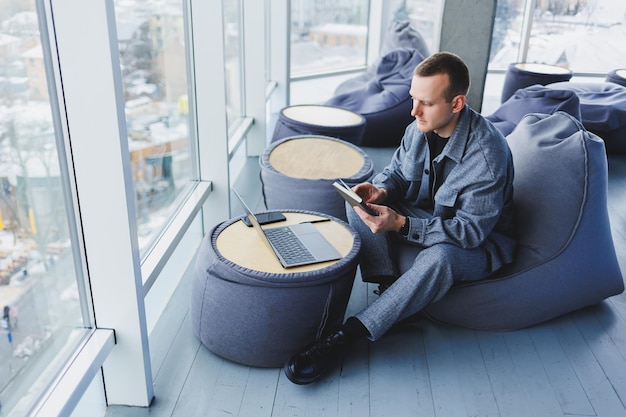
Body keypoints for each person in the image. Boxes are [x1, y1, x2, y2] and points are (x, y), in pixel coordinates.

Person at [283, 51, 517, 385]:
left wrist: (402, 225)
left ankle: (348, 336)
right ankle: (390, 287)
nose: (413, 110)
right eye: (412, 99)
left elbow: (469, 234)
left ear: (456, 103)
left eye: (426, 102)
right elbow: (396, 173)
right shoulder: (418, 126)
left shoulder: (487, 155)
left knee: (440, 259)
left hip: (480, 242)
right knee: (357, 204)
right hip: (433, 215)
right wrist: (379, 192)